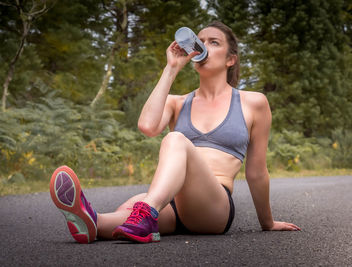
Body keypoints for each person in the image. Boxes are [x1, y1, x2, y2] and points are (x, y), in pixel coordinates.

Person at [49, 21, 301, 244]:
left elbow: (256, 172)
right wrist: (171, 68)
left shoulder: (253, 103)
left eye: (213, 42)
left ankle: (145, 211)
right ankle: (89, 220)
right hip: (171, 202)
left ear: (230, 59)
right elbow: (147, 127)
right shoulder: (177, 102)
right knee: (112, 221)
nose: (203, 46)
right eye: (199, 42)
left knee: (175, 140)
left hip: (213, 207)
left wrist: (267, 223)